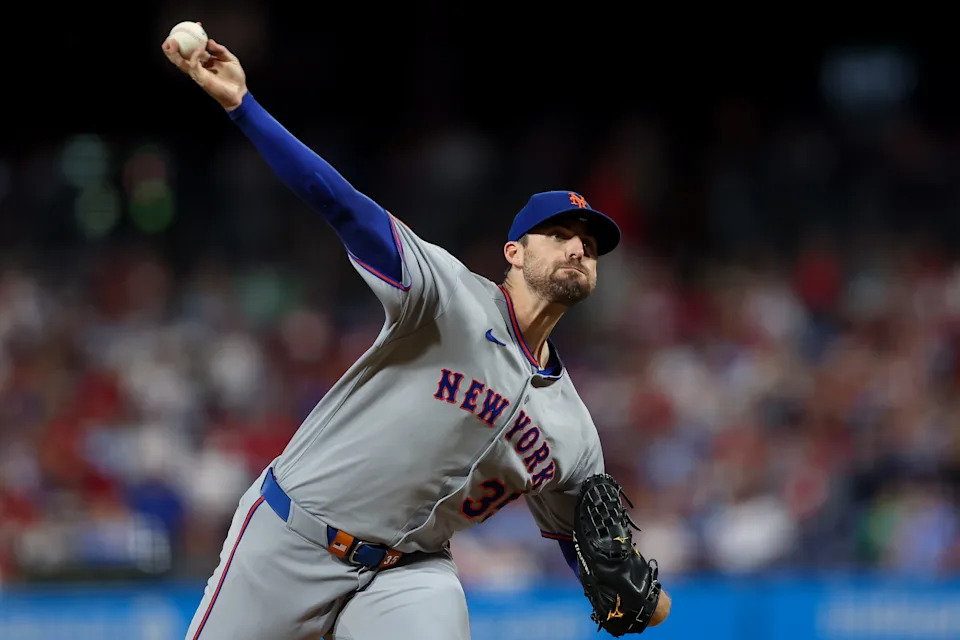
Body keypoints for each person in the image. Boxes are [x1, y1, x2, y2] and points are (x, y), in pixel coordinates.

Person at [161, 27, 671, 640]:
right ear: (513, 251)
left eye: (588, 245)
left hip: (409, 575)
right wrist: (244, 107)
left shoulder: (576, 434)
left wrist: (642, 597)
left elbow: (589, 554)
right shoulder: (445, 295)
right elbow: (342, 204)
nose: (577, 248)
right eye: (559, 234)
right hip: (294, 536)